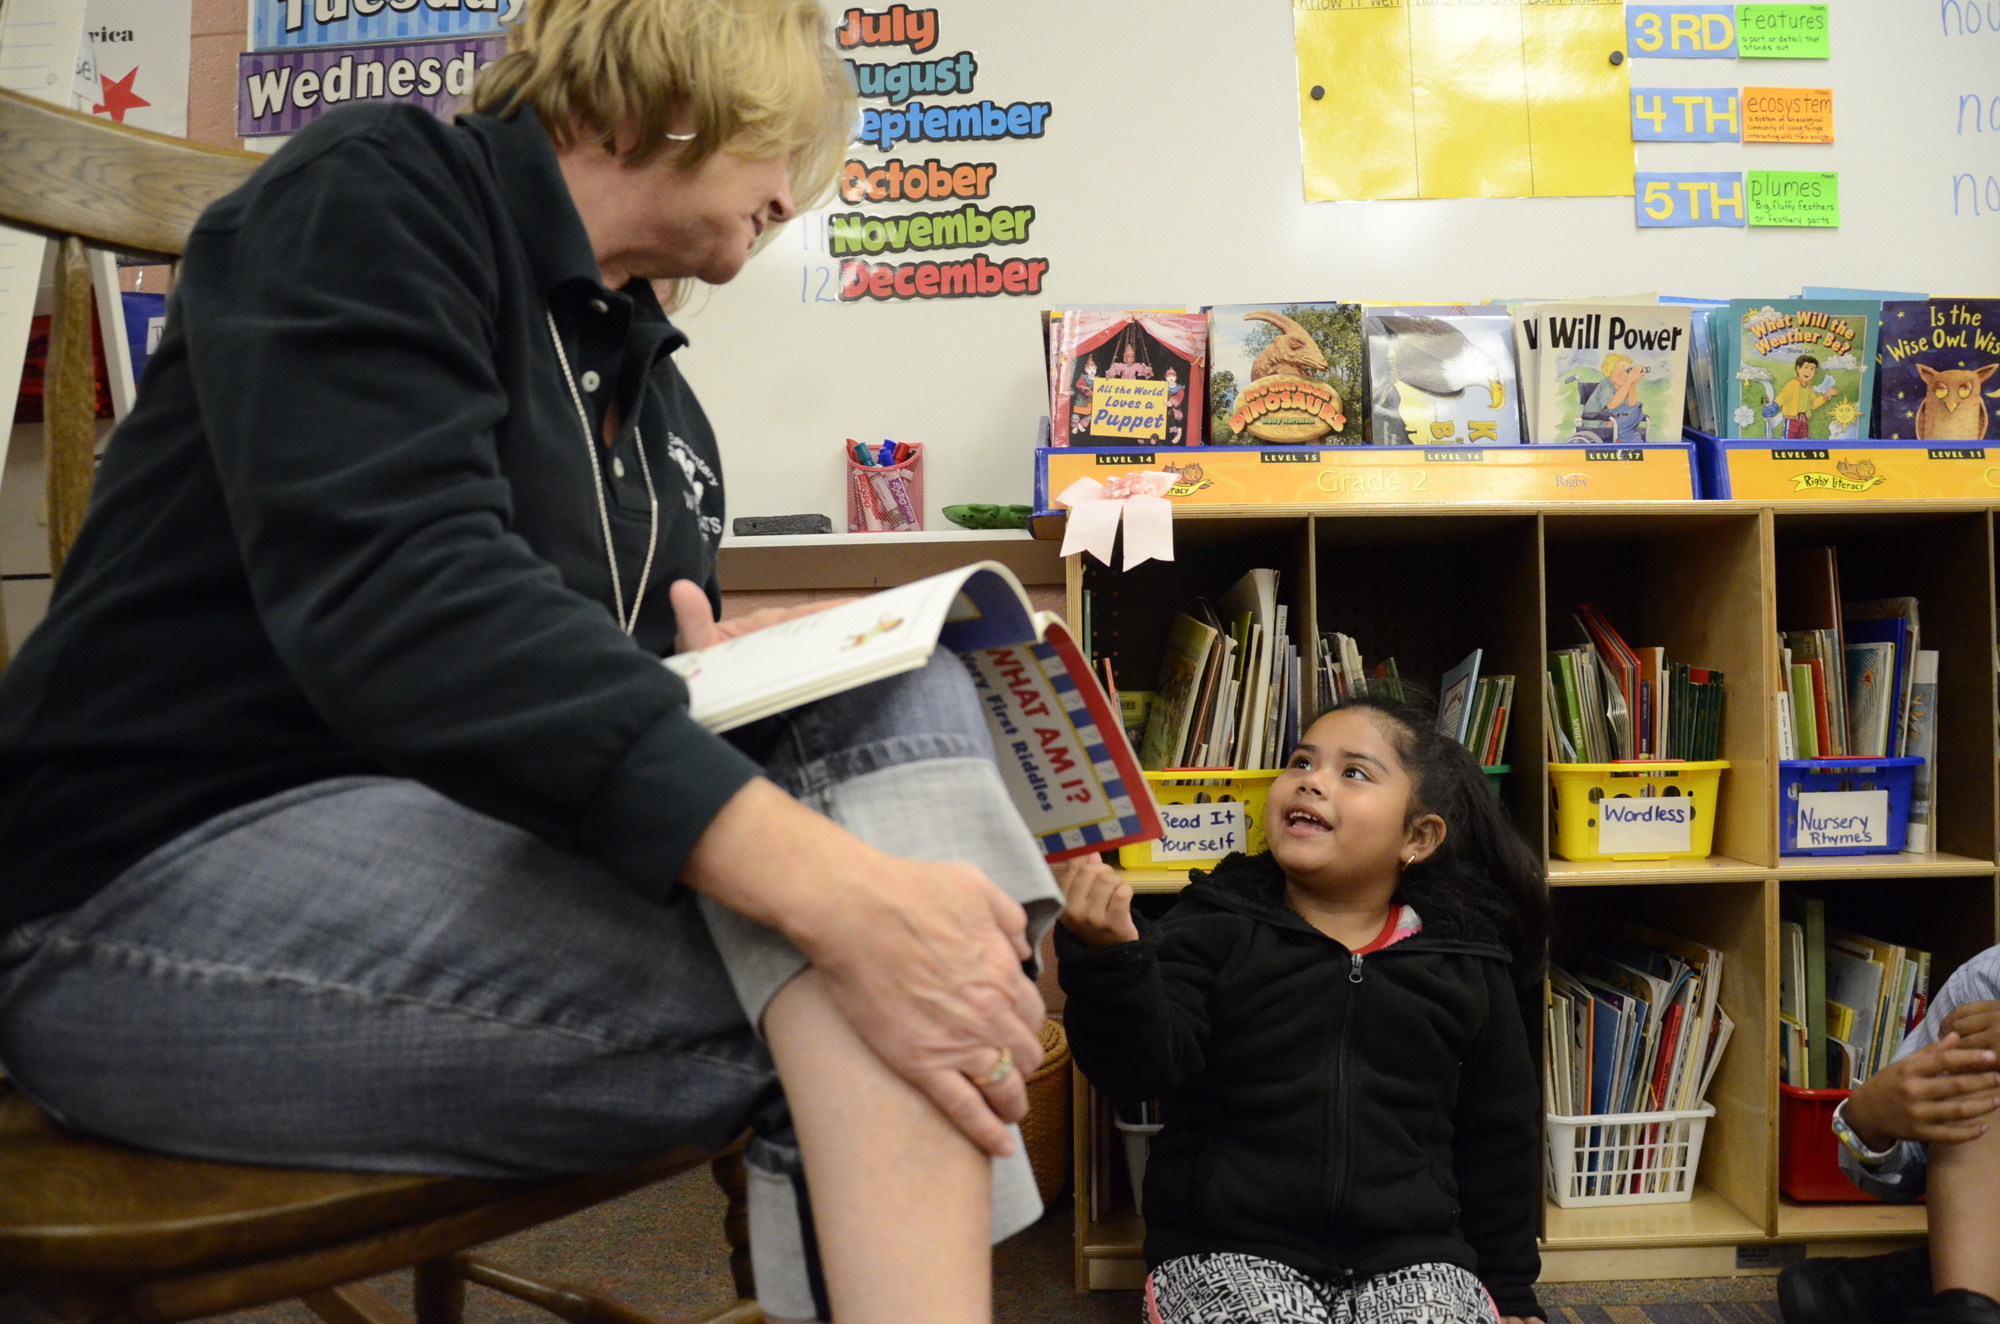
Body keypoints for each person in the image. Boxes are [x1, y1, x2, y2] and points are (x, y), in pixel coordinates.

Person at [0, 3, 1060, 1321]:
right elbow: (409, 598)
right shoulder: (375, 194)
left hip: (436, 856)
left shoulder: (665, 417)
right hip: (140, 888)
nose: (792, 193)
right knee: (857, 970)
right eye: (779, 143)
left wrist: (722, 684)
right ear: (666, 93)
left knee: (901, 690)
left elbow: (567, 729)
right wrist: (846, 901)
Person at [1055, 696, 1551, 1324]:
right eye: (1300, 762)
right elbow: (1140, 1069)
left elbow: (1499, 1138)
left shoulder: (1464, 959)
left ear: (1418, 838)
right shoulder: (1213, 923)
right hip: (1226, 1252)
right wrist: (1107, 959)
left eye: (1354, 772)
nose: (1312, 779)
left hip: (1413, 1257)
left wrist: (1509, 1291)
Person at [1777, 949, 2000, 1324]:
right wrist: (1868, 1120)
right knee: (1979, 1077)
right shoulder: (1986, 979)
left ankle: (1914, 1283)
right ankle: (1962, 1304)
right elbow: (1912, 1162)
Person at [1775, 354, 1841, 440]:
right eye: (1806, 367)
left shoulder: (1809, 388)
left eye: (1812, 369)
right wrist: (1775, 405)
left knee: (1803, 440)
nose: (1809, 372)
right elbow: (1783, 396)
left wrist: (1827, 395)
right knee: (1789, 440)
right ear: (1798, 369)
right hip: (1792, 419)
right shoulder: (1792, 384)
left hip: (1804, 420)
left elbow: (1812, 404)